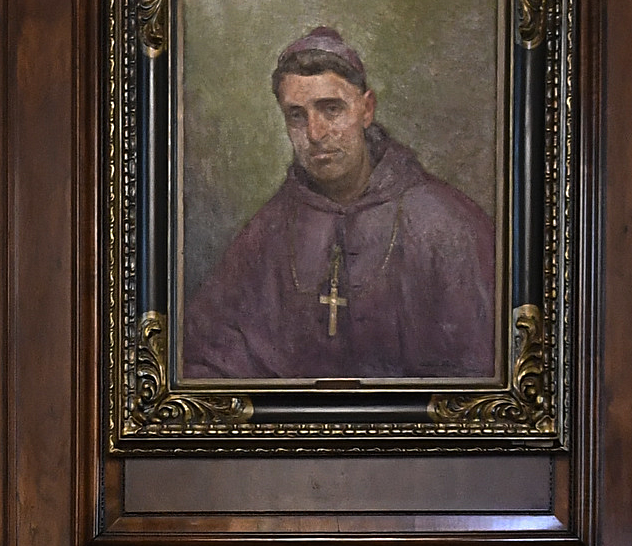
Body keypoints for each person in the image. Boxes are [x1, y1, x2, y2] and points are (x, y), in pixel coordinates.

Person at [180, 27, 499, 382]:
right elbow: (204, 358)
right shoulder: (267, 230)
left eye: (331, 109)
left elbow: (481, 380)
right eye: (297, 116)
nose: (315, 134)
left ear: (366, 109)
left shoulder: (447, 225)